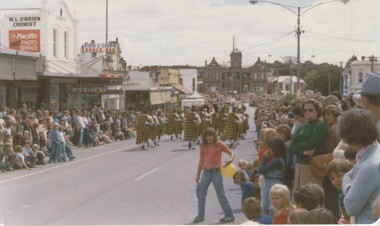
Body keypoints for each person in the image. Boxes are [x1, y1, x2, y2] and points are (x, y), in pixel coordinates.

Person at [337, 108, 380, 224]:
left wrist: (348, 187)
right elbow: (348, 174)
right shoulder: (373, 153)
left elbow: (351, 207)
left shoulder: (369, 166)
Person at [193, 127, 235, 224]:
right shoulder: (203, 146)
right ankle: (200, 215)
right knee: (201, 194)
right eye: (207, 136)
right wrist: (197, 175)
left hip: (216, 172)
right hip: (206, 172)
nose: (209, 138)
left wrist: (231, 160)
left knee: (221, 194)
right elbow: (201, 161)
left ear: (214, 135)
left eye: (210, 135)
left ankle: (229, 215)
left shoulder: (219, 144)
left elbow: (231, 153)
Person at [289, 98, 328, 190]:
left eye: (310, 110)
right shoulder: (302, 127)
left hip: (312, 166)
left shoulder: (320, 125)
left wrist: (297, 145)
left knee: (310, 196)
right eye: (305, 110)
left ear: (317, 111)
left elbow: (312, 143)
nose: (307, 112)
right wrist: (303, 152)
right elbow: (290, 147)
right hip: (299, 164)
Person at [258, 137, 285, 215]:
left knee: (271, 207)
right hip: (271, 183)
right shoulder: (278, 159)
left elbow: (261, 170)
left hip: (273, 184)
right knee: (268, 205)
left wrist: (265, 158)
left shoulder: (276, 161)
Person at [324, 158, 353, 223]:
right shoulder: (340, 195)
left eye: (339, 176)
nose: (336, 180)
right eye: (332, 178)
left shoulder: (350, 193)